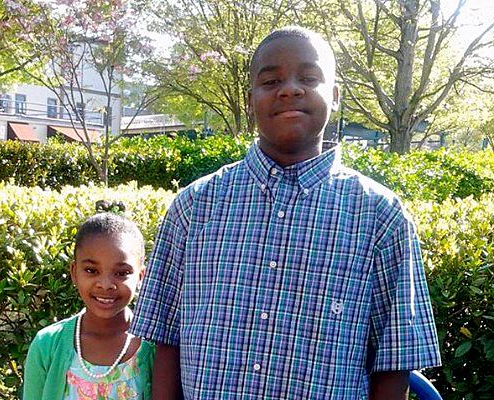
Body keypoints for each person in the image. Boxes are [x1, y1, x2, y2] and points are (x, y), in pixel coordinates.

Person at [131, 26, 441, 399]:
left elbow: (394, 363)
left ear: (335, 96)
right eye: (271, 81)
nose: (290, 89)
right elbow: (166, 340)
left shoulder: (381, 218)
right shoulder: (194, 207)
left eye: (309, 78)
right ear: (250, 101)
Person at [23, 213, 154, 400]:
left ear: (141, 277)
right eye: (91, 271)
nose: (105, 284)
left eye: (121, 273)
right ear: (74, 272)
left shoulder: (152, 348)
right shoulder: (47, 345)